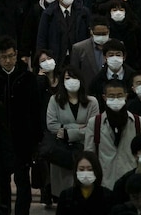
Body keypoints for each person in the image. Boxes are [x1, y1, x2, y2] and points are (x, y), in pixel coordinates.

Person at [0, 36, 41, 215]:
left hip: (23, 140)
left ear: (16, 54)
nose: (8, 60)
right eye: (4, 57)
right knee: (1, 182)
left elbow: (35, 110)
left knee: (23, 183)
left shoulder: (28, 77)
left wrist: (36, 141)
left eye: (11, 56)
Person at [45, 66, 99, 197]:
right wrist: (78, 127)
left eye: (74, 78)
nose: (71, 81)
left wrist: (68, 132)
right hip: (62, 151)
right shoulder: (55, 100)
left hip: (84, 149)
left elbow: (93, 127)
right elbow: (51, 125)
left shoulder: (92, 102)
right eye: (67, 78)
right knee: (64, 194)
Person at [84, 79, 141, 188]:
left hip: (131, 182)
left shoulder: (138, 122)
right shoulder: (94, 123)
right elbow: (89, 154)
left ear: (126, 96)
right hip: (104, 183)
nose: (115, 99)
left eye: (119, 96)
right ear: (104, 97)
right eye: (111, 96)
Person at [56, 151, 115, 215]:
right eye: (81, 169)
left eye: (90, 169)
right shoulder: (66, 196)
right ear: (76, 171)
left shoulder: (108, 196)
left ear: (96, 171)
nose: (85, 173)